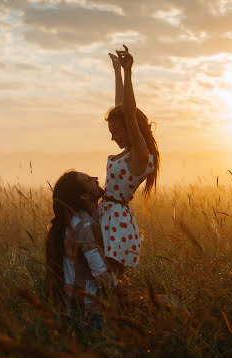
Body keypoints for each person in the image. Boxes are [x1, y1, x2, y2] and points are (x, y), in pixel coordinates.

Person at [99, 45, 160, 278]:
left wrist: (128, 72)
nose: (112, 136)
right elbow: (122, 108)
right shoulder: (130, 152)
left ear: (130, 128)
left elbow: (129, 111)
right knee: (111, 283)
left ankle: (166, 302)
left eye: (116, 131)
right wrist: (116, 72)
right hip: (109, 216)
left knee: (114, 283)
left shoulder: (141, 155)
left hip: (118, 222)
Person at [45, 170, 120, 331]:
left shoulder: (71, 222)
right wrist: (120, 287)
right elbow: (101, 274)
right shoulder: (85, 226)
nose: (96, 178)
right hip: (91, 312)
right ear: (84, 196)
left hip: (73, 309)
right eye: (88, 179)